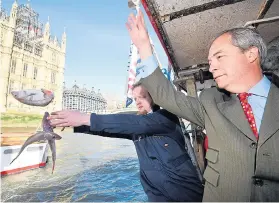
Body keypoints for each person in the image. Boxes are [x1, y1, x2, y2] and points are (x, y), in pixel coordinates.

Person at [126, 10, 279, 202]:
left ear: (251, 54)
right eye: (209, 62)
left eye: (219, 57)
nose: (212, 67)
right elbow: (165, 96)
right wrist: (143, 47)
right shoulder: (210, 102)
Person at [48, 84, 204, 202]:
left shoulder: (166, 117)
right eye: (135, 98)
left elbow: (135, 123)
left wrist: (84, 117)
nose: (138, 102)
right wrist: (74, 125)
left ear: (153, 96)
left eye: (142, 97)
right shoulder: (139, 125)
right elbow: (112, 129)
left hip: (185, 192)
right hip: (157, 194)